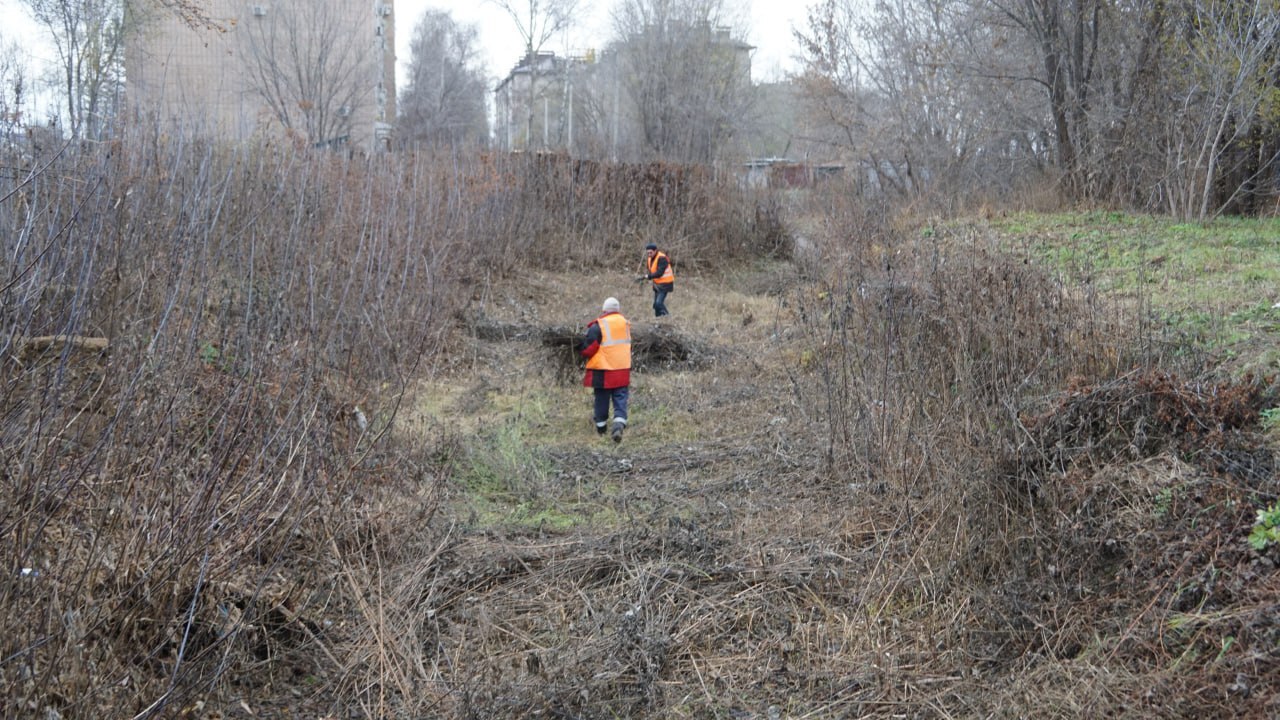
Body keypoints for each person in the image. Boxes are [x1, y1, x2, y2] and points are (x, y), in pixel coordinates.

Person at [578, 296, 632, 442]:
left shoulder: (599, 326)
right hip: (622, 368)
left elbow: (589, 348)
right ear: (618, 310)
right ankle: (619, 424)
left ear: (604, 309)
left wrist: (580, 350)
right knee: (620, 398)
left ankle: (601, 428)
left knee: (602, 398)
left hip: (604, 370)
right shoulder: (625, 324)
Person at [636, 242, 674, 317]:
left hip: (665, 284)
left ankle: (668, 318)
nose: (649, 254)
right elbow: (651, 271)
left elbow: (659, 272)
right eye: (648, 253)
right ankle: (658, 320)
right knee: (656, 306)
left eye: (651, 252)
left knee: (659, 303)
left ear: (655, 250)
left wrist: (648, 276)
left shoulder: (662, 258)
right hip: (657, 284)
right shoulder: (650, 259)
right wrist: (644, 278)